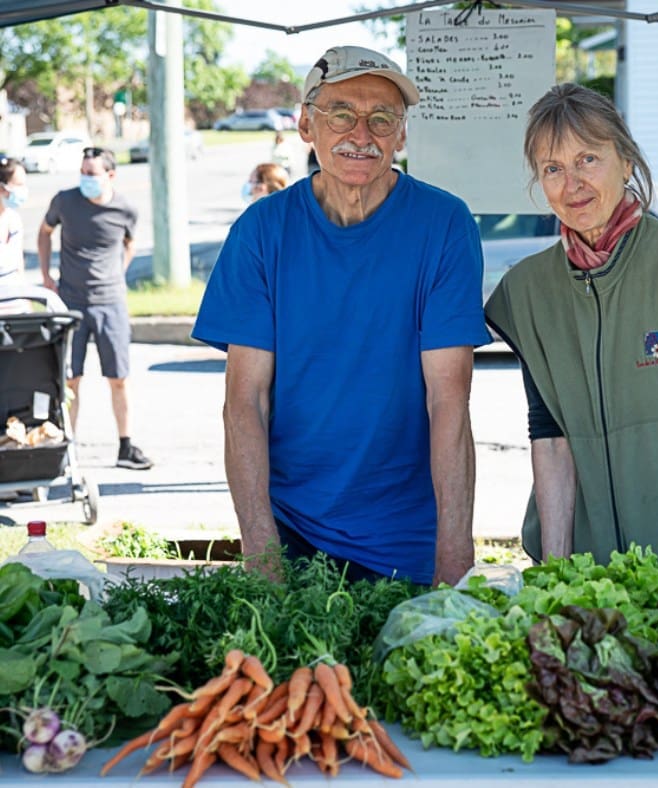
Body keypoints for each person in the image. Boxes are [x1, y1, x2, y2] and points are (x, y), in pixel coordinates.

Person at [193, 45, 490, 585]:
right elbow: (245, 403)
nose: (362, 134)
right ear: (306, 124)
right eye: (340, 115)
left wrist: (454, 562)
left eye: (382, 119)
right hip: (292, 531)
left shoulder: (444, 223)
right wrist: (263, 557)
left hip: (410, 541)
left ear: (402, 135)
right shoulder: (262, 232)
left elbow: (449, 399)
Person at [485, 83, 658, 564]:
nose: (572, 184)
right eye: (553, 168)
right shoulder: (526, 292)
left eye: (588, 159)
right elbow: (549, 440)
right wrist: (556, 573)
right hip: (587, 564)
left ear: (627, 160)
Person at [37, 146, 153, 470]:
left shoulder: (125, 209)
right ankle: (65, 449)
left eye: (93, 173)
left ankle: (126, 447)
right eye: (83, 172)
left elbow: (130, 243)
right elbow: (44, 232)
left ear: (110, 175)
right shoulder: (65, 201)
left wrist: (119, 271)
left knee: (118, 378)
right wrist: (47, 274)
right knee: (70, 379)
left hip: (111, 302)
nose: (86, 178)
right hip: (71, 302)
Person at [0, 156, 27, 287]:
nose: (24, 190)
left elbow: (18, 262)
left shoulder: (13, 219)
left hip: (14, 297)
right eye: (19, 185)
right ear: (2, 188)